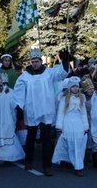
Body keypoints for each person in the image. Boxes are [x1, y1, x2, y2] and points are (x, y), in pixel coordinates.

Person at [13, 48, 70, 176]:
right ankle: (28, 160)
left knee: (46, 139)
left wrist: (65, 60)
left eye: (37, 61)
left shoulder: (49, 72)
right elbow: (19, 92)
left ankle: (47, 166)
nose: (35, 63)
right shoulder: (25, 76)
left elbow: (62, 73)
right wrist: (19, 107)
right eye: (33, 61)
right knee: (30, 138)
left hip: (46, 110)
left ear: (41, 61)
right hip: (32, 110)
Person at [52, 76, 89, 177]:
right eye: (73, 87)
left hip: (78, 124)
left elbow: (83, 114)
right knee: (67, 144)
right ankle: (64, 160)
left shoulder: (81, 99)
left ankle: (78, 167)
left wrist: (86, 127)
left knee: (78, 146)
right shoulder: (64, 99)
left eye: (76, 87)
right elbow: (60, 113)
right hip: (67, 123)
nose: (75, 89)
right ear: (69, 88)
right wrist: (59, 125)